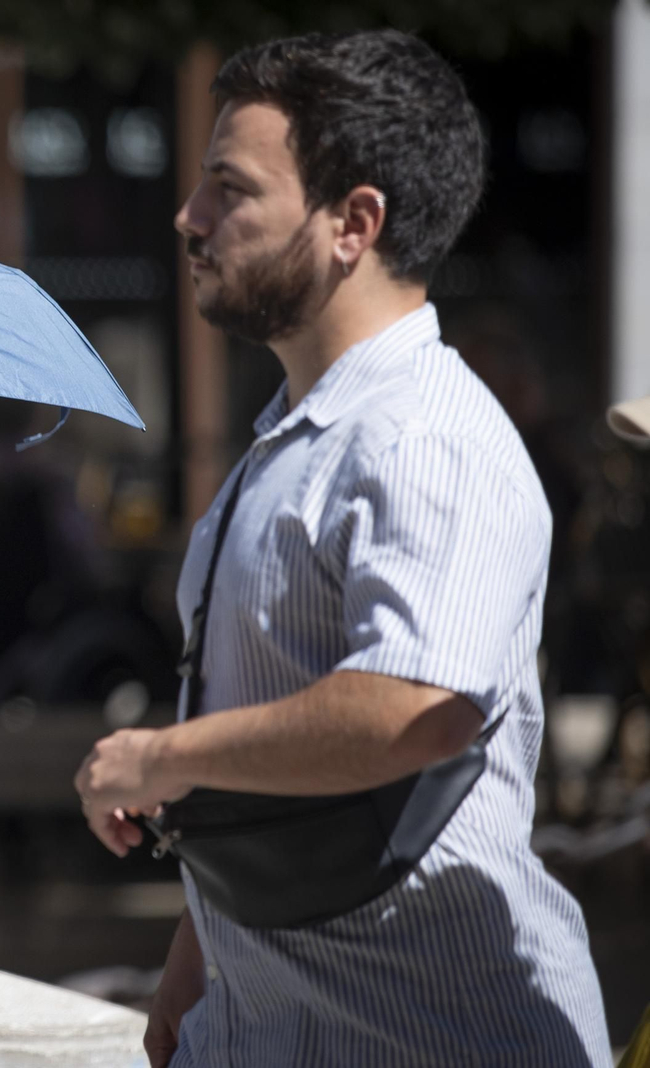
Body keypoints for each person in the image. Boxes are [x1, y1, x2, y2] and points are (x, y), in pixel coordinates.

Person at [73, 30, 612, 1067]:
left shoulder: (422, 436)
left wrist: (158, 757)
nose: (189, 218)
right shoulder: (299, 431)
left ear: (352, 223)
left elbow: (413, 703)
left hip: (440, 1038)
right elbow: (288, 728)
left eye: (229, 189)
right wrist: (201, 956)